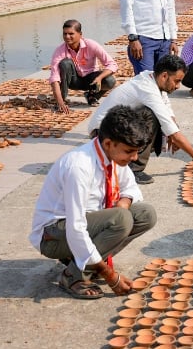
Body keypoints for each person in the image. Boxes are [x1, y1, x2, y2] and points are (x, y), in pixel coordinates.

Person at [29, 105, 158, 299]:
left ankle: (87, 262)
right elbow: (76, 226)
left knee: (145, 214)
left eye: (137, 152)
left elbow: (131, 188)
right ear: (108, 143)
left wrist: (124, 201)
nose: (134, 158)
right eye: (129, 151)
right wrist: (110, 276)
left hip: (84, 225)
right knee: (121, 219)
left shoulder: (112, 156)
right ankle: (73, 276)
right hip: (53, 234)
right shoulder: (79, 166)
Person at [88, 55, 193, 185]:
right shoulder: (147, 89)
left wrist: (173, 130)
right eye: (177, 81)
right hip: (102, 133)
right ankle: (134, 169)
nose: (178, 86)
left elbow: (167, 109)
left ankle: (131, 157)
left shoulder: (152, 79)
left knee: (162, 120)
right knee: (150, 115)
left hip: (115, 127)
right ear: (164, 76)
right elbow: (174, 133)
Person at [49, 19, 118, 113]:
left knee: (110, 81)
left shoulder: (91, 45)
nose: (67, 37)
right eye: (64, 34)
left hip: (91, 80)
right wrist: (59, 101)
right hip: (74, 80)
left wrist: (99, 78)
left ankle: (92, 96)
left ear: (80, 34)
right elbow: (55, 78)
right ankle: (62, 102)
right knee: (65, 63)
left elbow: (112, 64)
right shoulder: (60, 50)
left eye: (71, 34)